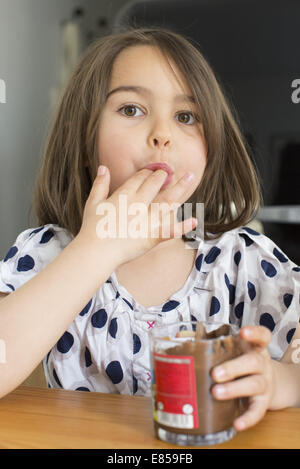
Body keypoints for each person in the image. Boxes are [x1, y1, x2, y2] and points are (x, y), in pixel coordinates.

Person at [0, 27, 299, 433]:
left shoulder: (242, 258)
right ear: (85, 138)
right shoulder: (47, 252)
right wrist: (97, 250)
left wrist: (282, 380)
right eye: (130, 109)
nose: (163, 134)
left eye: (185, 116)